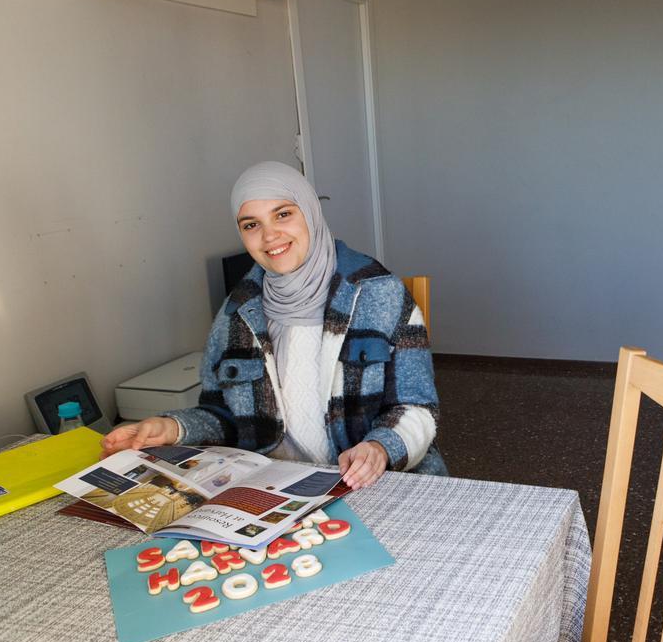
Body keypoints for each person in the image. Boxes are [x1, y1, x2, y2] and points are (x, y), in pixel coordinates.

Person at [101, 161, 446, 489]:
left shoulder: (379, 294)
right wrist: (173, 427)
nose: (269, 236)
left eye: (283, 214)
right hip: (276, 489)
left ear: (310, 212)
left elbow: (417, 407)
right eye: (251, 225)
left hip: (374, 483)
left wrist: (380, 448)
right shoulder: (236, 311)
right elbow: (223, 414)